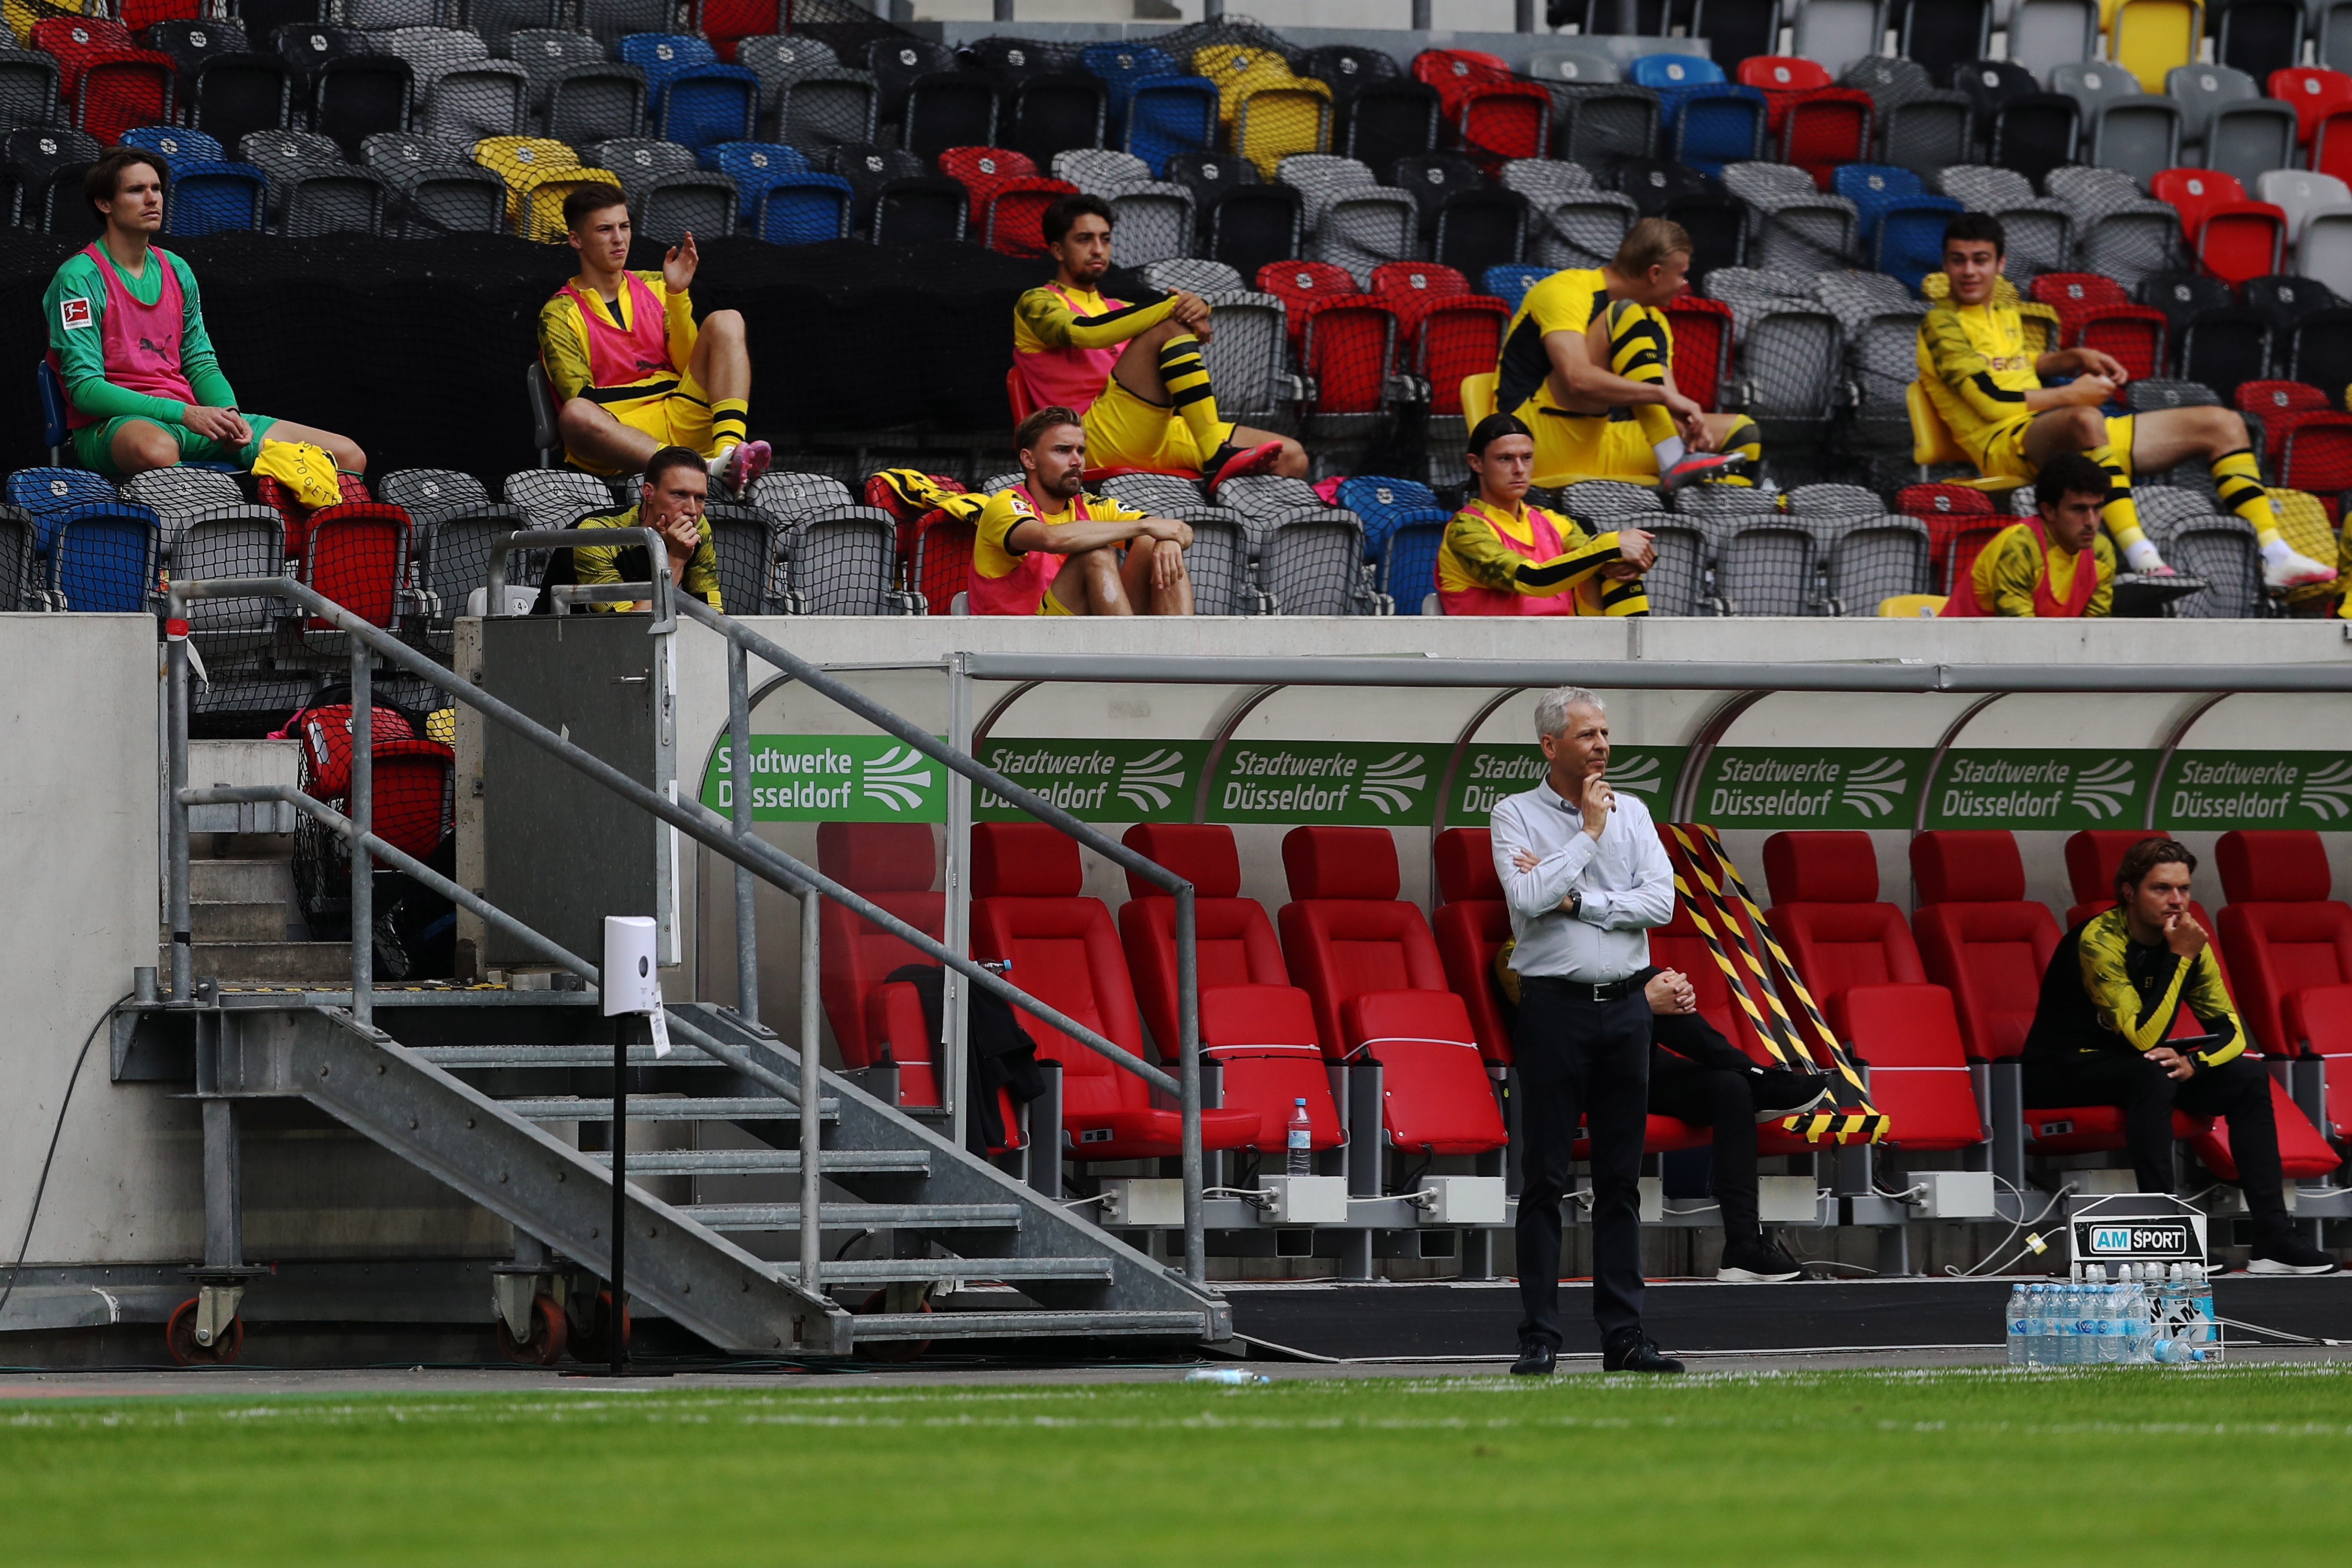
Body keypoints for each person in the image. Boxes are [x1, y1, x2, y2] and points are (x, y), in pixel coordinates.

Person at [1920, 213, 2334, 591]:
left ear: (2001, 264)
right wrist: (2070, 394)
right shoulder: (1941, 325)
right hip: (2005, 446)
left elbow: (2013, 365)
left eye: (1980, 259)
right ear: (1945, 264)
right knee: (2085, 417)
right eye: (1959, 261)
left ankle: (2275, 554)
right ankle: (2142, 557)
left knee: (2223, 423)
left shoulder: (2004, 314)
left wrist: (2071, 358)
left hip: (2068, 432)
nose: (1969, 271)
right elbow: (1990, 400)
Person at [2020, 837, 2339, 1275]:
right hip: (2061, 1067)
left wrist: (2197, 1063)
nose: (2176, 901)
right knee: (2151, 1071)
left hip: (2134, 1064)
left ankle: (2273, 1237)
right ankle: (2169, 1237)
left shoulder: (2189, 941)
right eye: (2161, 889)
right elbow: (2141, 1036)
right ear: (2130, 892)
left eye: (2184, 889)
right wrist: (2178, 957)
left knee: (2246, 1076)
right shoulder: (2100, 940)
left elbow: (2231, 1031)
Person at [1492, 686, 1684, 1375]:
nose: (1602, 746)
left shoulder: (1634, 812)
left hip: (1627, 1010)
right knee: (1543, 1176)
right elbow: (1528, 899)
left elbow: (1659, 903)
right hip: (1552, 1010)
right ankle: (1540, 1335)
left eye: (1604, 733)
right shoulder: (1514, 814)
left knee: (1620, 1180)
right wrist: (1588, 839)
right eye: (1587, 736)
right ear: (1551, 746)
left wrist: (1582, 899)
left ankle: (1624, 1337)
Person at [43, 147, 365, 481]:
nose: (152, 199)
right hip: (115, 428)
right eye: (136, 190)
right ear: (104, 203)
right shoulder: (79, 279)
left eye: (156, 189)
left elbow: (200, 360)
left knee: (347, 456)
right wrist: (185, 413)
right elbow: (87, 390)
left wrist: (228, 413)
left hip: (193, 419)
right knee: (157, 451)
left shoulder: (177, 269)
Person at [1012, 193, 1302, 491]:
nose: (1098, 249)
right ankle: (1216, 452)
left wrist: (1197, 308)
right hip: (1085, 439)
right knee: (1170, 327)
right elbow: (1088, 333)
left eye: (1106, 239)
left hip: (1155, 430)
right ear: (1058, 250)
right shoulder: (1036, 303)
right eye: (1084, 239)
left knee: (1291, 456)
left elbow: (1156, 327)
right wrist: (1177, 308)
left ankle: (1223, 511)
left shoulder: (1122, 309)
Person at [1493, 218, 1761, 490]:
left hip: (1601, 440)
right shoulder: (1566, 291)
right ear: (1655, 273)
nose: (1684, 284)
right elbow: (1576, 379)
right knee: (1624, 313)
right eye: (1681, 274)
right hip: (1530, 442)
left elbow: (1666, 403)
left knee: (1742, 431)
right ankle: (1672, 459)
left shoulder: (1655, 322)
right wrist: (1664, 397)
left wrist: (1691, 428)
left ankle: (1721, 522)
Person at [539, 184, 770, 495]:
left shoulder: (658, 284)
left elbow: (688, 365)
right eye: (605, 229)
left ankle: (728, 454)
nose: (619, 239)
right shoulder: (559, 313)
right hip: (625, 434)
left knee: (727, 320)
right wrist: (661, 385)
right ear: (576, 240)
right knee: (576, 415)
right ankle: (704, 469)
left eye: (625, 227)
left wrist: (677, 296)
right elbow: (585, 398)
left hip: (681, 410)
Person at [1638, 966, 1829, 1283]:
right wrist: (1644, 1001)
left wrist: (1666, 989)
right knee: (1641, 984)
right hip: (1588, 1064)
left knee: (1731, 1088)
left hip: (1641, 1058)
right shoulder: (1544, 938)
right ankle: (1759, 1077)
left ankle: (1744, 1247)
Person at [969, 406, 1196, 616]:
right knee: (1096, 554)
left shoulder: (1089, 505)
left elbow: (1183, 531)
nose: (1077, 461)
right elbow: (1050, 538)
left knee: (1151, 544)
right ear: (1029, 459)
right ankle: (1130, 655)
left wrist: (1168, 540)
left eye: (1081, 451)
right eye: (1063, 450)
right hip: (1015, 644)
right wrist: (1146, 526)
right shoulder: (1004, 504)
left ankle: (1181, 655)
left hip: (1078, 636)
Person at [1438, 411, 1657, 615]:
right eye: (1505, 459)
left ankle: (1634, 655)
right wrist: (1614, 545)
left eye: (1526, 458)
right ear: (1476, 463)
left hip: (1562, 645)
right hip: (1489, 652)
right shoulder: (1465, 530)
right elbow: (1533, 580)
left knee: (1617, 573)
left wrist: (1632, 556)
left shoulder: (1550, 520)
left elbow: (1589, 551)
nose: (1519, 469)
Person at [1941, 451, 2116, 617]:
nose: (2091, 522)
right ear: (2049, 511)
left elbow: (2095, 633)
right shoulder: (2020, 548)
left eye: (2098, 508)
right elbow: (2022, 636)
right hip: (1960, 645)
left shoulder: (2101, 552)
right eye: (2079, 509)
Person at [567, 444, 722, 613]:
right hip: (561, 634)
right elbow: (629, 629)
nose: (692, 510)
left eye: (700, 498)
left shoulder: (698, 528)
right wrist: (676, 560)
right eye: (679, 494)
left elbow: (712, 615)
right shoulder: (598, 536)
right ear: (649, 493)